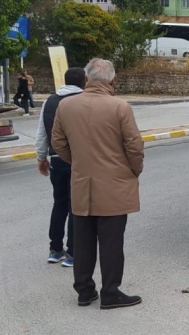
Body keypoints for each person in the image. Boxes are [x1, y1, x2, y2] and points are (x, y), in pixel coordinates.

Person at [52, 58, 144, 310]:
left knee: (82, 241)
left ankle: (84, 291)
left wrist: (78, 162)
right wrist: (133, 170)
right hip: (115, 185)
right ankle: (110, 292)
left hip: (82, 184)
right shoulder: (120, 107)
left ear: (86, 79)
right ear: (112, 81)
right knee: (112, 243)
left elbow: (58, 142)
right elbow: (134, 146)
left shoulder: (66, 106)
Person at [35, 67, 86, 268]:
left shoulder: (50, 101)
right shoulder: (85, 100)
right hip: (79, 161)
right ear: (84, 81)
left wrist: (41, 157)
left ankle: (55, 250)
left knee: (59, 204)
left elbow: (41, 133)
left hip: (56, 159)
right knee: (76, 207)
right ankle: (73, 253)